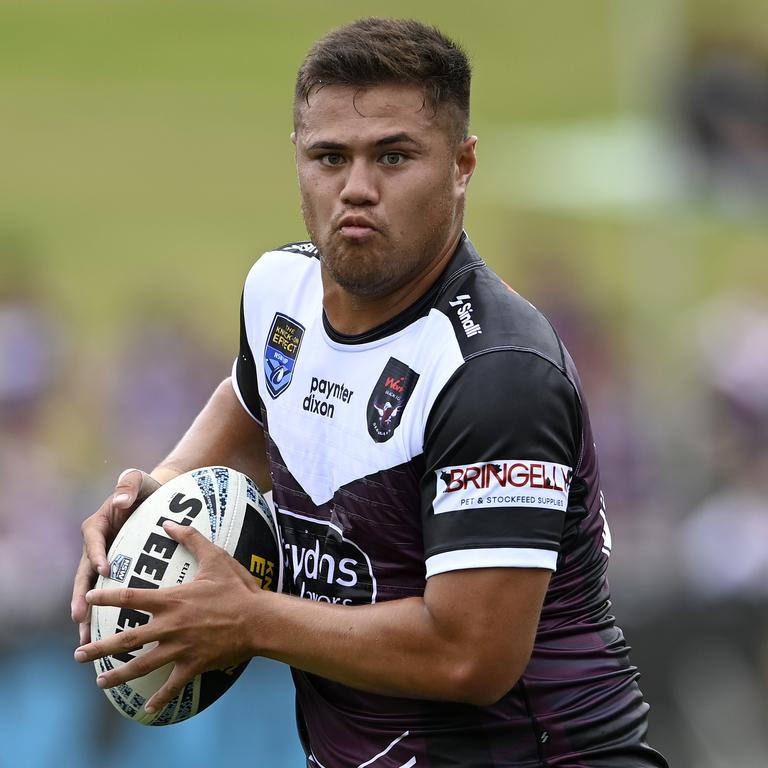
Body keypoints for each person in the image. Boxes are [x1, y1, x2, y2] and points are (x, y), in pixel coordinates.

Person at [72, 18, 668, 767]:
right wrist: (148, 504)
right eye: (330, 157)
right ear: (297, 160)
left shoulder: (496, 373)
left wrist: (248, 620)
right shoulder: (279, 294)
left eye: (393, 155)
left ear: (462, 164)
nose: (356, 188)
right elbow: (255, 414)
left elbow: (470, 657)